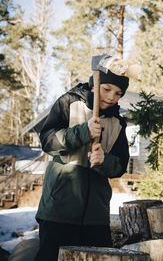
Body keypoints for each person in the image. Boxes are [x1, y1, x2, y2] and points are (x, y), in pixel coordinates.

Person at [34, 68, 130, 261]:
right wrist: (82, 132)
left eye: (118, 93)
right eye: (107, 89)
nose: (112, 97)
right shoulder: (69, 102)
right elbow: (47, 141)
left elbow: (120, 166)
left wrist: (105, 161)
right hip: (58, 212)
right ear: (94, 85)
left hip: (96, 217)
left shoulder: (118, 123)